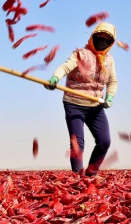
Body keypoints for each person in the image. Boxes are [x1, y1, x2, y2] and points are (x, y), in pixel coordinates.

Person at [45, 22, 119, 176]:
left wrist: (110, 96)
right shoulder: (80, 54)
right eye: (99, 37)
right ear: (93, 36)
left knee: (104, 141)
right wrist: (55, 78)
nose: (102, 41)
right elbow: (65, 68)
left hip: (95, 106)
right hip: (74, 103)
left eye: (107, 39)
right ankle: (78, 177)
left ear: (110, 43)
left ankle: (91, 173)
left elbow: (112, 82)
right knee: (77, 144)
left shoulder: (109, 60)